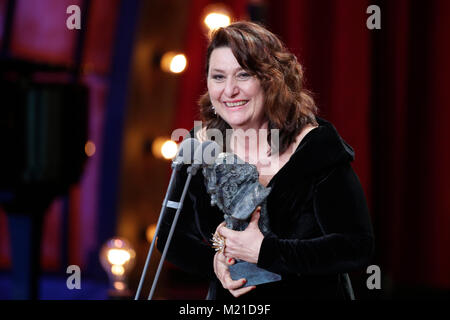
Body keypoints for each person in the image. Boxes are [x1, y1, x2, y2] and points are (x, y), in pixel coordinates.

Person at [156, 21, 374, 300]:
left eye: (244, 75)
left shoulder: (316, 149)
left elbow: (356, 246)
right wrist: (214, 263)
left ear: (271, 81)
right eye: (218, 77)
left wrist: (266, 252)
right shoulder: (199, 146)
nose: (229, 90)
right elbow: (170, 236)